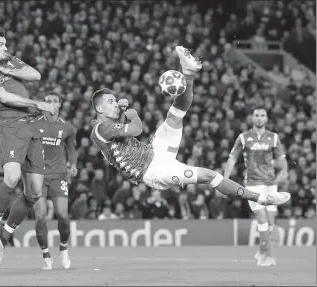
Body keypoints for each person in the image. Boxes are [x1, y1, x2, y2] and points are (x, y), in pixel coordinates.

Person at [90, 46, 291, 232]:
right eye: (110, 102)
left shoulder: (111, 124)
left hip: (155, 151)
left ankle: (189, 74)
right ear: (99, 108)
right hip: (153, 171)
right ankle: (263, 199)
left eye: (115, 100)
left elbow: (129, 130)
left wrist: (125, 112)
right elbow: (136, 129)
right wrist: (131, 112)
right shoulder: (101, 129)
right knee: (210, 176)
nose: (115, 103)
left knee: (176, 113)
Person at [0, 28, 54, 265]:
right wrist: (36, 103)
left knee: (35, 192)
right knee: (12, 176)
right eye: (1, 44)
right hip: (9, 125)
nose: (6, 48)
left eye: (6, 43)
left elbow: (35, 75)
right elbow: (5, 97)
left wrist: (8, 68)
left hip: (31, 126)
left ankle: (6, 234)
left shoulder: (8, 61)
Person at [224, 107, 288, 267]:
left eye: (262, 115)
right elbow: (232, 158)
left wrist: (279, 179)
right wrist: (224, 179)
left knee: (271, 220)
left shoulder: (273, 138)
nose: (259, 118)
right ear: (252, 118)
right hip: (252, 185)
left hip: (271, 185)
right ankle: (268, 256)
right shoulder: (244, 138)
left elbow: (283, 163)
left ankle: (261, 250)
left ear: (266, 119)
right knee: (262, 217)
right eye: (257, 115)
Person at [30, 93, 78, 269]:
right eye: (48, 101)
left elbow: (72, 150)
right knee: (40, 215)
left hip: (59, 175)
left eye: (54, 101)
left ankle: (64, 250)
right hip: (38, 175)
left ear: (60, 104)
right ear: (43, 104)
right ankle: (46, 256)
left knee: (63, 215)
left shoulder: (68, 128)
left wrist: (72, 164)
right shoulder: (34, 124)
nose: (51, 104)